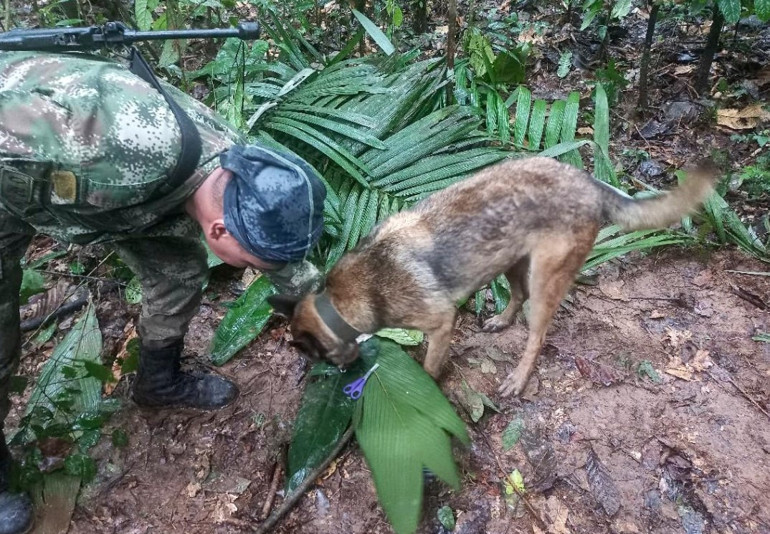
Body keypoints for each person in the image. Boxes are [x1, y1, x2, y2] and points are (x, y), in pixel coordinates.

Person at [0, 50, 326, 534]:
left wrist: (335, 323)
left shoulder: (238, 172)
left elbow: (283, 258)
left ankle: (157, 381)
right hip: (15, 171)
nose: (267, 270)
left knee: (176, 272)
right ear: (219, 232)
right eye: (258, 265)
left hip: (110, 199)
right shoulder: (112, 150)